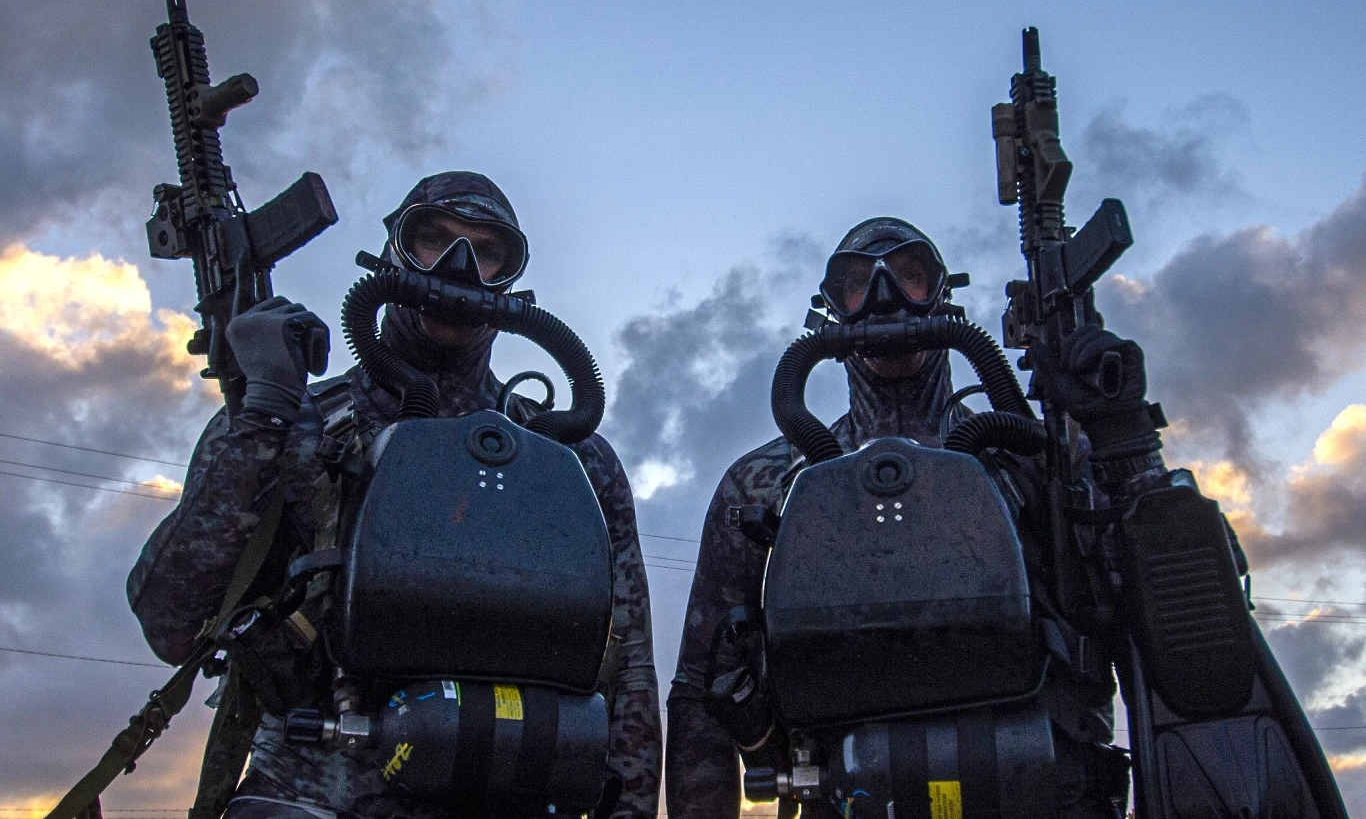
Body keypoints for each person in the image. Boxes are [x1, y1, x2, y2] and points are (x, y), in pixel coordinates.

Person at [128, 171, 661, 819]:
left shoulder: (570, 461)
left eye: (487, 251)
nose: (458, 265)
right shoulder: (297, 424)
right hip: (308, 800)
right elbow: (170, 623)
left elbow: (627, 670)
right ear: (391, 254)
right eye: (431, 238)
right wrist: (263, 410)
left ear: (509, 280)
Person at [665, 216, 1159, 819]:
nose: (883, 298)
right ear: (832, 310)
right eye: (857, 285)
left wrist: (1122, 435)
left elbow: (1167, 605)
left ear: (942, 298)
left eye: (909, 277)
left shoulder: (1039, 460)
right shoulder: (770, 486)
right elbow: (701, 688)